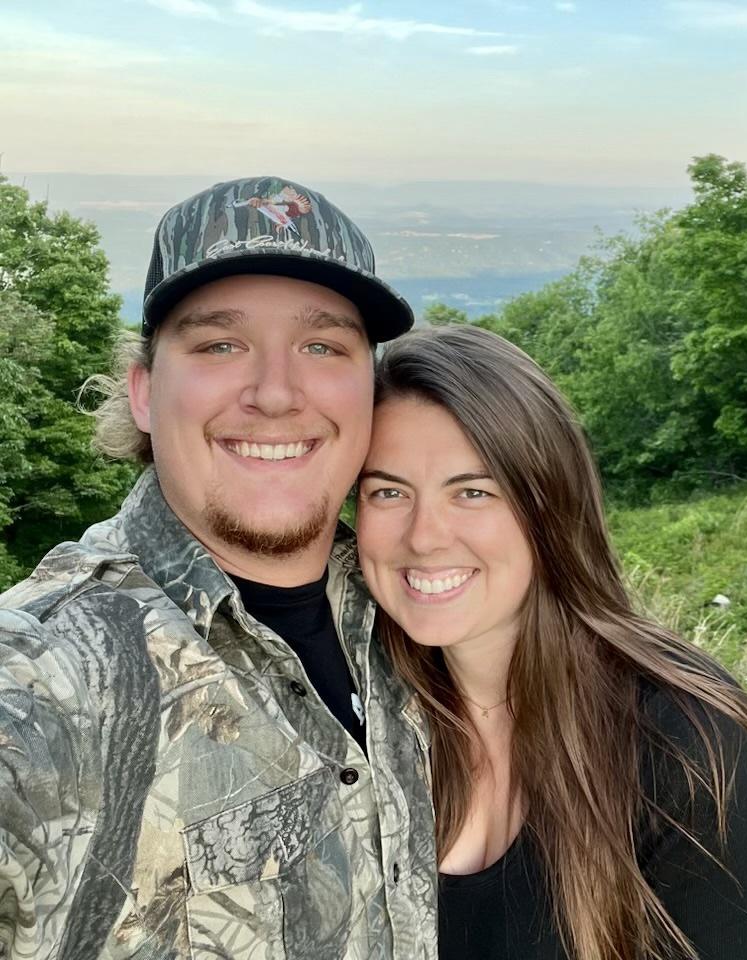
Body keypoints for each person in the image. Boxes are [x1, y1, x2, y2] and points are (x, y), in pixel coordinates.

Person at [0, 177, 437, 959]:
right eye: (218, 345)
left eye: (322, 346)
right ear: (142, 390)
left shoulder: (423, 607)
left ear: (371, 391)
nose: (274, 393)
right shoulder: (41, 679)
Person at [355, 325, 747, 960]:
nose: (425, 536)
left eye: (474, 491)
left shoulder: (682, 740)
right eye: (388, 491)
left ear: (548, 505)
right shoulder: (360, 717)